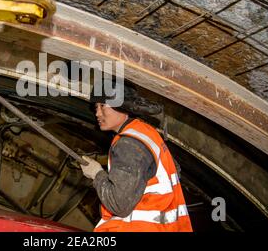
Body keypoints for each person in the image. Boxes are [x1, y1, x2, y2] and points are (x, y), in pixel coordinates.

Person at [80, 79, 193, 232]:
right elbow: (175, 171)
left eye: (103, 106)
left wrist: (97, 174)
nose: (97, 113)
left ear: (123, 107)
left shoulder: (128, 144)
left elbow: (119, 204)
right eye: (95, 107)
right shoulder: (146, 133)